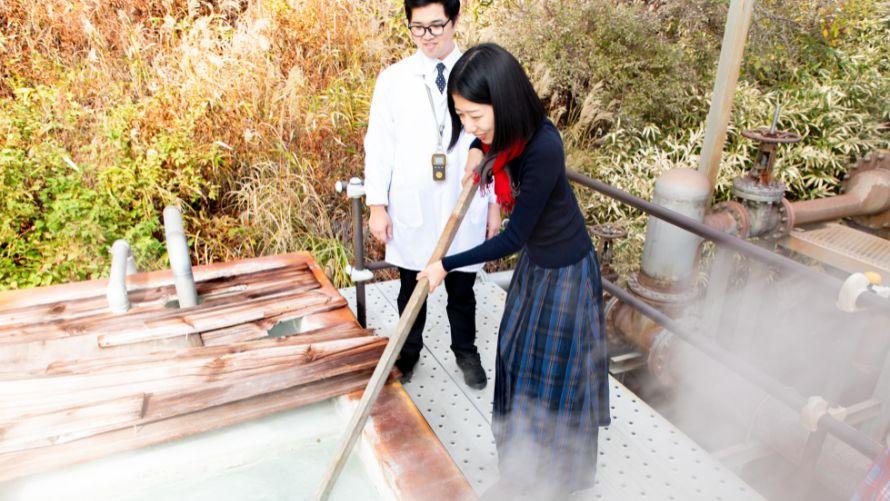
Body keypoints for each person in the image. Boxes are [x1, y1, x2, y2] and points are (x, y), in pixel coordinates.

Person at [419, 43, 611, 497]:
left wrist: (444, 264)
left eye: (475, 116)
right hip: (537, 268)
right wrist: (474, 146)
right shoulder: (505, 135)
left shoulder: (543, 146)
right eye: (461, 116)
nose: (470, 126)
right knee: (512, 356)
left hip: (565, 273)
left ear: (503, 101)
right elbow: (485, 143)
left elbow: (513, 238)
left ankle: (551, 481)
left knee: (552, 379)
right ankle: (520, 467)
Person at [364, 0, 498, 389]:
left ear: (455, 20)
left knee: (462, 288)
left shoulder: (478, 73)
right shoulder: (394, 79)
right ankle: (408, 352)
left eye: (436, 26)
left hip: (463, 201)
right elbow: (379, 146)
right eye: (417, 27)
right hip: (413, 204)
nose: (427, 36)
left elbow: (494, 141)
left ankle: (465, 352)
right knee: (411, 286)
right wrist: (377, 206)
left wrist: (494, 206)